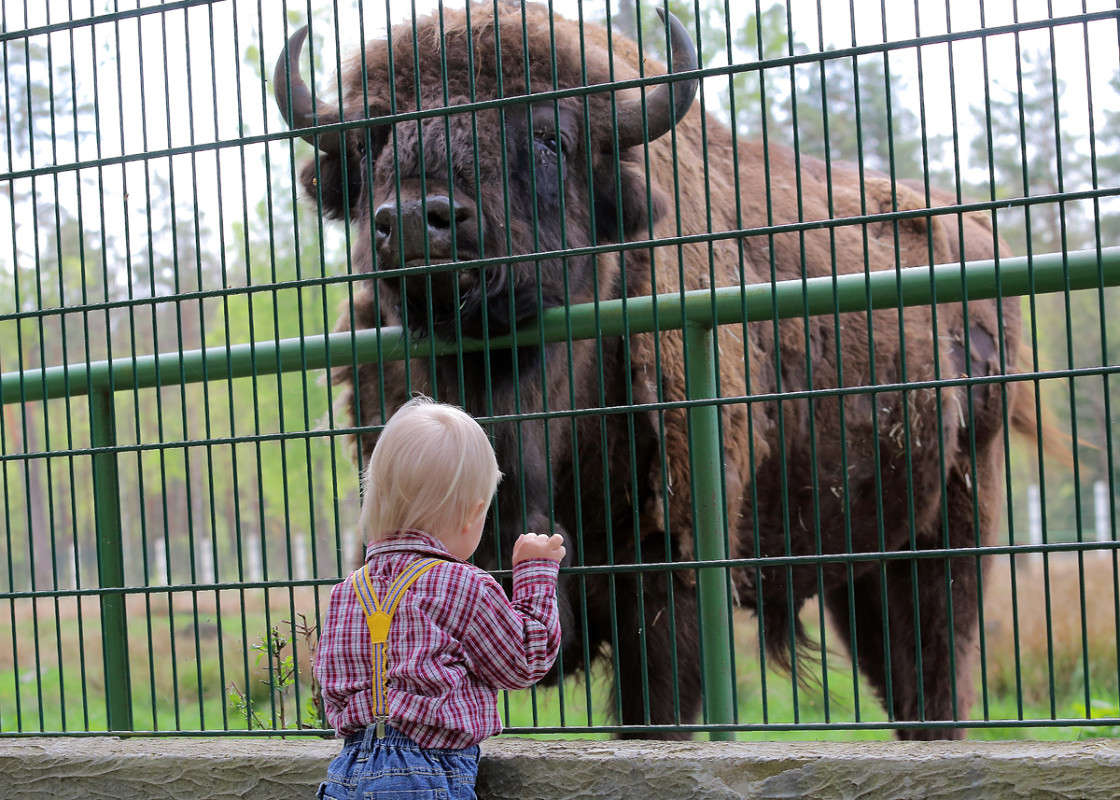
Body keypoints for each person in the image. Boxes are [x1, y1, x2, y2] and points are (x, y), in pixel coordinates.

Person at [314, 396, 565, 800]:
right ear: (473, 512)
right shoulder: (463, 585)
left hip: (348, 771)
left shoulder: (347, 593)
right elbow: (523, 661)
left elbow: (332, 685)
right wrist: (534, 576)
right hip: (427, 774)